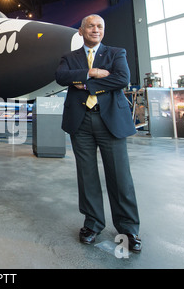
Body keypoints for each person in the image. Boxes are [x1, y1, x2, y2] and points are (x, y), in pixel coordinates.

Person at [55, 14, 142, 253]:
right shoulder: (69, 57)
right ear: (81, 31)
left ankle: (128, 228)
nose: (96, 29)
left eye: (100, 26)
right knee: (87, 176)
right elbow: (61, 77)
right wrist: (93, 73)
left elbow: (122, 78)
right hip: (80, 123)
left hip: (110, 121)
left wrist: (85, 83)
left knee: (120, 176)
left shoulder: (116, 53)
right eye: (91, 26)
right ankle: (92, 224)